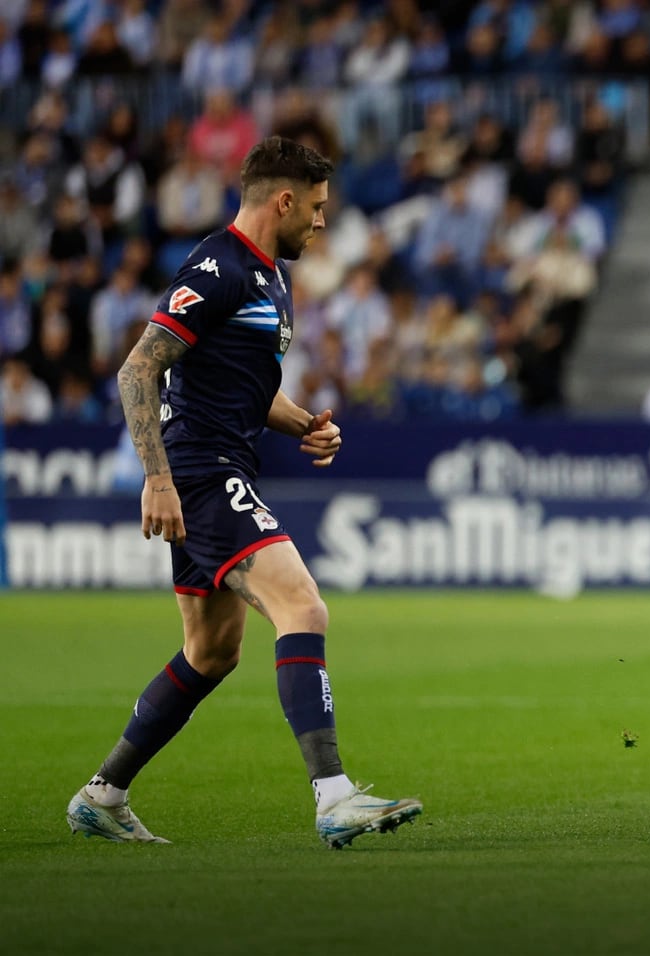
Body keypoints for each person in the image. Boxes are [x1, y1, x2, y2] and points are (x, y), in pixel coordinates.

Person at [67, 137, 423, 849]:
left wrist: (302, 425)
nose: (323, 223)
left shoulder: (268, 276)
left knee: (211, 650)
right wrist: (158, 479)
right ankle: (333, 796)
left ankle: (102, 794)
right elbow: (139, 371)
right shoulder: (219, 266)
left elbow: (241, 384)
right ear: (283, 200)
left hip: (218, 464)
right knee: (303, 605)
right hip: (199, 472)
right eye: (317, 208)